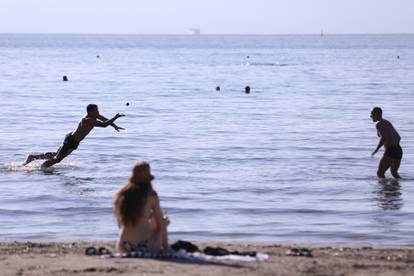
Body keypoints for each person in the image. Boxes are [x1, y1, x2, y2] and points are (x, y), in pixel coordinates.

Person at [23, 104, 125, 168]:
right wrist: (115, 118)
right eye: (97, 110)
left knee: (57, 155)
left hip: (74, 141)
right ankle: (43, 167)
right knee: (58, 158)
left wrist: (115, 126)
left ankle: (33, 157)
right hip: (71, 140)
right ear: (91, 112)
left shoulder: (94, 116)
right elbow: (104, 125)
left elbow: (104, 120)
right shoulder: (87, 120)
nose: (98, 112)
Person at [114, 161, 170, 253]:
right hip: (145, 246)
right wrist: (167, 247)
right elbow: (161, 223)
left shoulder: (121, 194)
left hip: (123, 246)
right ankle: (166, 247)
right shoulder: (151, 195)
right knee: (162, 222)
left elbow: (119, 223)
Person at [370, 107, 402, 178]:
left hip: (391, 151)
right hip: (398, 150)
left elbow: (384, 138)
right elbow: (398, 137)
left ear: (377, 114)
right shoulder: (387, 122)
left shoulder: (379, 124)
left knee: (380, 173)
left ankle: (383, 189)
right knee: (394, 173)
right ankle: (398, 188)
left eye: (372, 114)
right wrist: (394, 145)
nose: (371, 116)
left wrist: (376, 150)